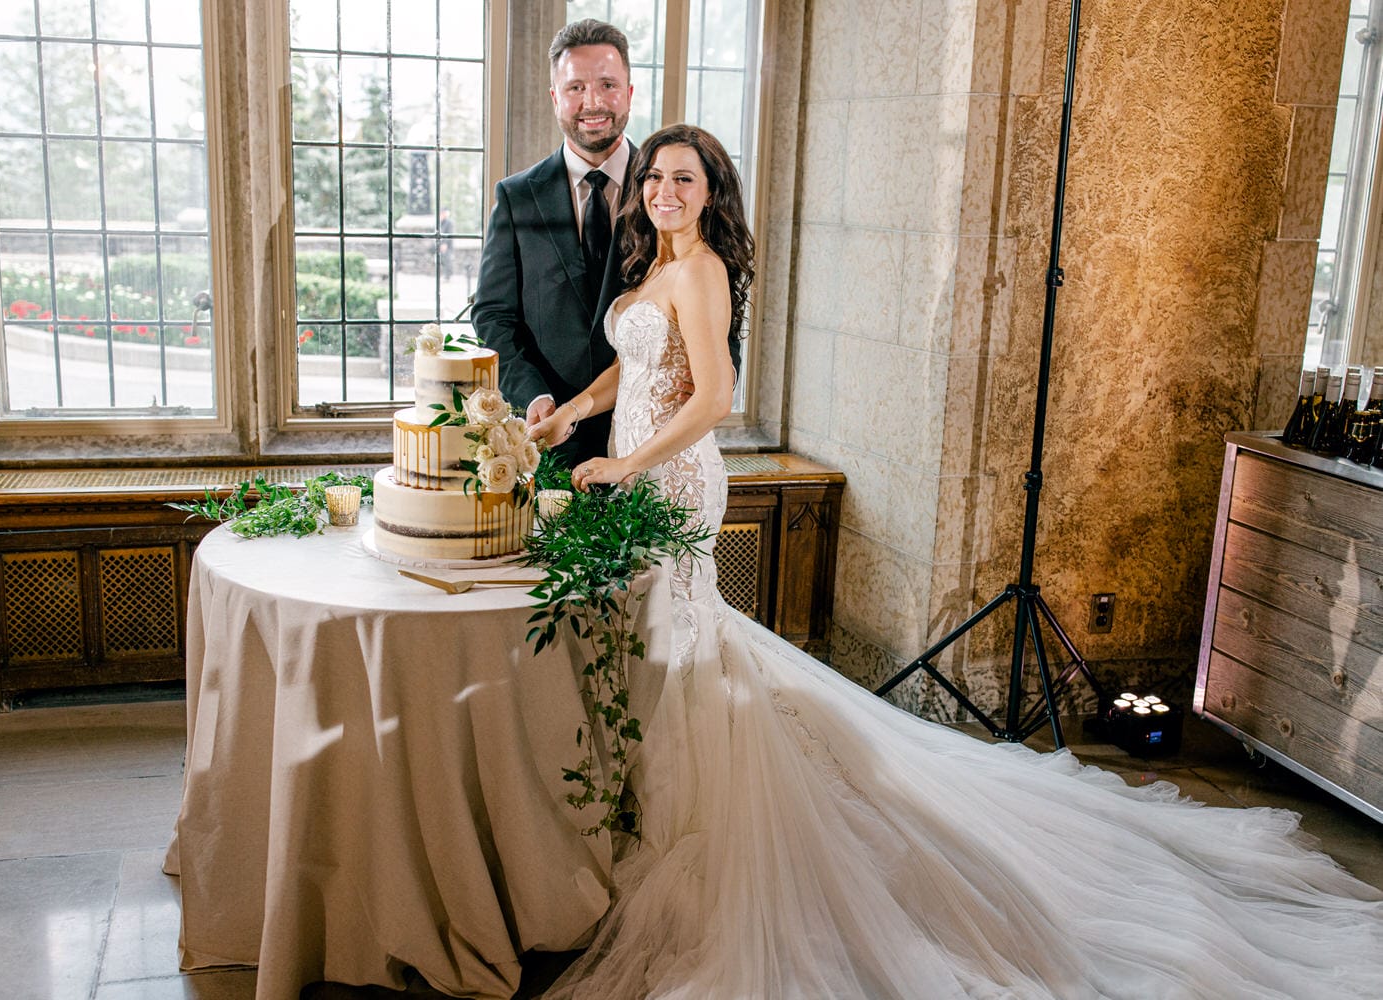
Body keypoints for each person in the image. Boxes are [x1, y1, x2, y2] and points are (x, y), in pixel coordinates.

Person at [530, 123, 1383, 999]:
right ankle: (645, 818)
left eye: (686, 178)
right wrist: (570, 417)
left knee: (685, 651)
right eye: (658, 178)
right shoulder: (654, 268)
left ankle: (693, 830)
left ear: (712, 192)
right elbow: (624, 375)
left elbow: (716, 397)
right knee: (674, 653)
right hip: (636, 477)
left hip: (672, 485)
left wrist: (629, 462)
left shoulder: (703, 269)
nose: (666, 191)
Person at [472, 19, 742, 469]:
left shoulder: (671, 190)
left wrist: (718, 376)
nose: (592, 101)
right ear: (555, 97)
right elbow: (493, 313)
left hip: (661, 436)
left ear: (630, 93)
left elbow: (720, 298)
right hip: (556, 435)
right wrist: (535, 394)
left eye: (607, 84)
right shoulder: (517, 197)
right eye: (575, 87)